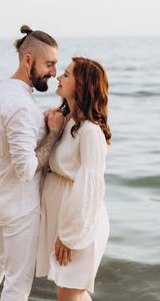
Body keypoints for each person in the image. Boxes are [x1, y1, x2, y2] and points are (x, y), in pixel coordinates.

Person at [0, 25, 65, 301]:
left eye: (56, 65)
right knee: (17, 283)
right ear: (28, 60)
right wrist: (54, 135)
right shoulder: (22, 106)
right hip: (20, 207)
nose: (54, 72)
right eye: (49, 64)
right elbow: (25, 168)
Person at [36, 57, 111, 301]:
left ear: (81, 84)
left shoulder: (90, 131)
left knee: (69, 293)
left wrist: (70, 235)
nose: (58, 76)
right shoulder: (66, 121)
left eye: (66, 74)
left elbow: (91, 187)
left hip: (79, 220)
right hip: (63, 216)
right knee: (70, 292)